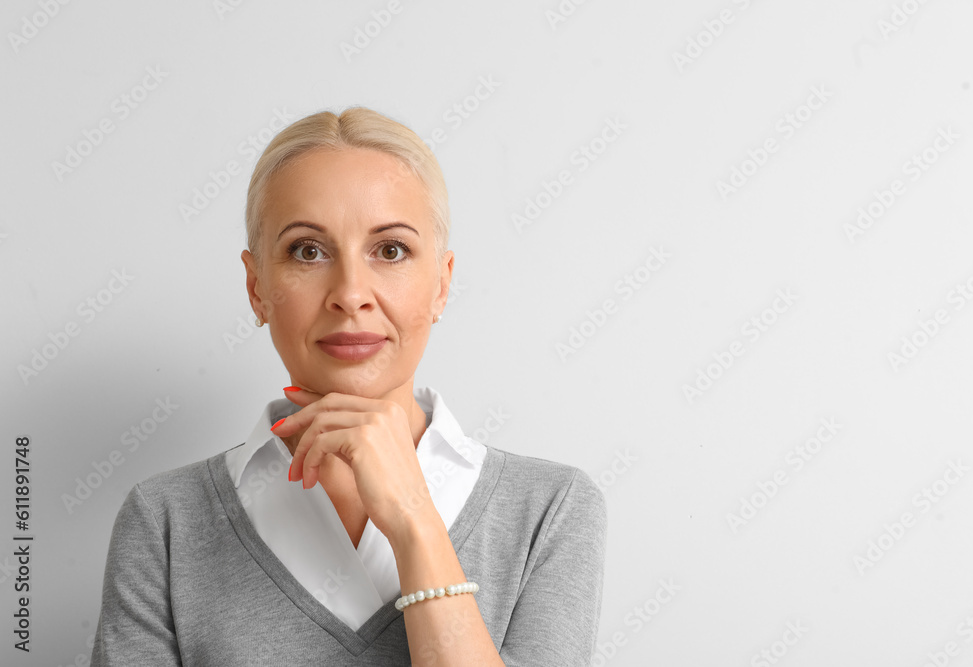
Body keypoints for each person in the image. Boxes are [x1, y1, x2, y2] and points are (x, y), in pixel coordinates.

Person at [90, 106, 608, 666]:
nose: (350, 293)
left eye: (390, 250)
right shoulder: (166, 520)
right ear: (256, 286)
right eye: (307, 251)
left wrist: (414, 519)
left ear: (441, 284)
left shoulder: (550, 510)